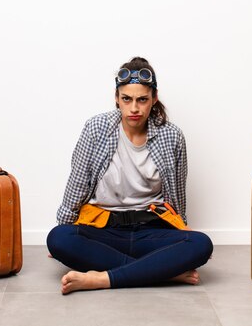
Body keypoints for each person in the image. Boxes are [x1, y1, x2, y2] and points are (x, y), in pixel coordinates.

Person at [46, 57, 214, 294]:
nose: (134, 108)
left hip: (151, 229)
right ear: (117, 98)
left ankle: (101, 278)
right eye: (127, 99)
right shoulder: (96, 129)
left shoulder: (172, 136)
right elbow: (76, 186)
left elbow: (176, 197)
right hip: (105, 229)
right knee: (59, 238)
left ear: (154, 99)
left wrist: (182, 231)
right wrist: (63, 231)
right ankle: (160, 272)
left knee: (201, 244)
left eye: (142, 100)